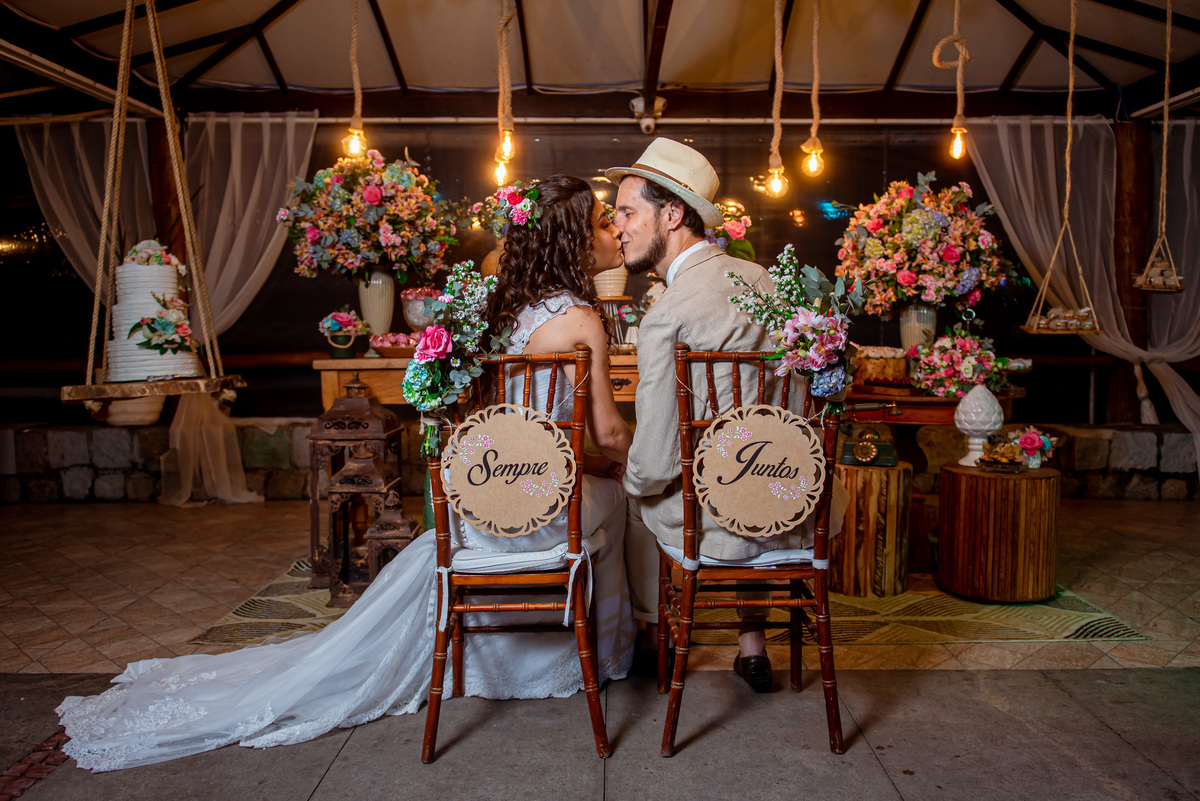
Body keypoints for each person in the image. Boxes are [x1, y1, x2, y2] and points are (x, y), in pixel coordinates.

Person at [56, 174, 636, 772]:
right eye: (599, 222)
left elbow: (525, 440)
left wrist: (587, 465)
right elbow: (610, 435)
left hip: (480, 507)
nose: (611, 230)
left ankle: (526, 652)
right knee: (622, 499)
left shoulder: (495, 315)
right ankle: (613, 653)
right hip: (542, 515)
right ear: (570, 242)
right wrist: (646, 457)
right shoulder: (581, 320)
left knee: (603, 486)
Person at [607, 138, 846, 692]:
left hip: (714, 526)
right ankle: (753, 645)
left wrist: (629, 473)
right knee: (743, 472)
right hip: (797, 509)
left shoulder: (667, 313)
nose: (616, 226)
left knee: (634, 491)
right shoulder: (771, 285)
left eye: (627, 211)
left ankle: (651, 645)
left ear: (671, 215)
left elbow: (658, 460)